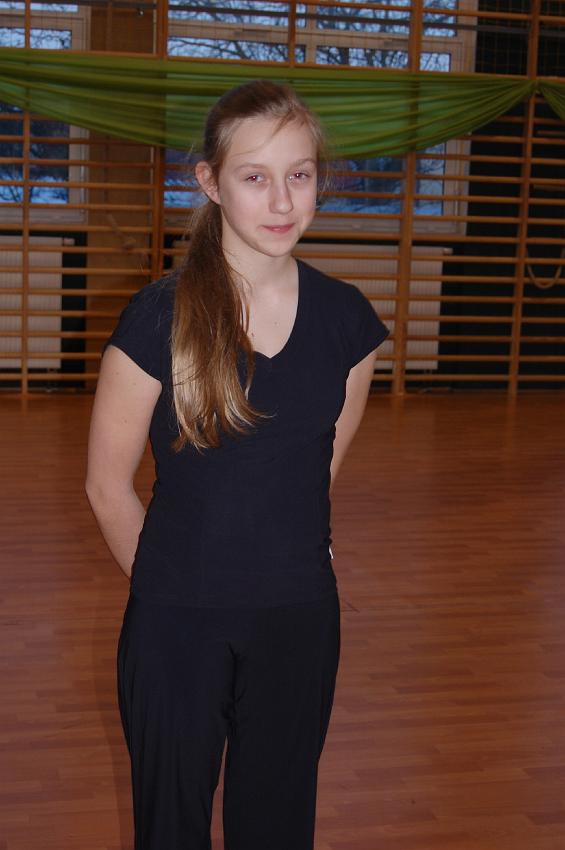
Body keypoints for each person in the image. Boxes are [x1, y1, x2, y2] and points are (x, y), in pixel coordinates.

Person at [85, 79, 389, 850]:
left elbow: (316, 472)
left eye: (300, 174)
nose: (282, 200)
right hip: (175, 624)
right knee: (170, 827)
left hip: (298, 620)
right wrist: (173, 589)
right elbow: (106, 486)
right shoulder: (157, 317)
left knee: (277, 826)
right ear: (211, 182)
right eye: (255, 176)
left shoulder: (349, 324)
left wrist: (284, 568)